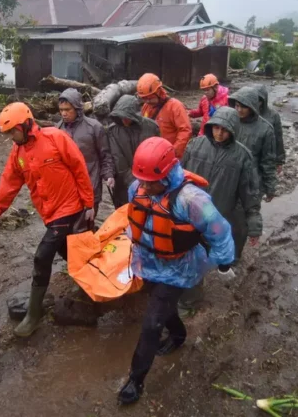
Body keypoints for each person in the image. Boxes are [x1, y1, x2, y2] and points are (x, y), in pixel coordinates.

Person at [118, 137, 235, 405]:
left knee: (150, 323)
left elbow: (219, 230)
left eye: (150, 181)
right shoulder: (138, 187)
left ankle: (135, 380)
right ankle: (179, 334)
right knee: (160, 306)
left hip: (178, 267)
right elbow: (137, 217)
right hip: (147, 261)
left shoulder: (191, 199)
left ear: (168, 172)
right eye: (141, 180)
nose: (144, 186)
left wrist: (225, 262)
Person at [0, 103, 95, 337]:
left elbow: (79, 167)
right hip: (49, 212)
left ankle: (33, 315)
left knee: (43, 256)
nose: (10, 138)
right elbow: (9, 182)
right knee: (68, 250)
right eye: (7, 134)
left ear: (26, 124)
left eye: (12, 132)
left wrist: (88, 203)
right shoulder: (18, 153)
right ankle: (91, 285)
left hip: (69, 206)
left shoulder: (55, 137)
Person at [181, 106, 262, 261]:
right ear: (210, 126)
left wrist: (254, 226)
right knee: (192, 244)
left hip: (221, 212)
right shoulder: (195, 144)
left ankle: (226, 262)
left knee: (221, 242)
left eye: (224, 129)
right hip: (193, 209)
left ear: (233, 130)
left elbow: (250, 193)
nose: (219, 133)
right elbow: (181, 175)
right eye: (216, 127)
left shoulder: (243, 156)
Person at [56, 88, 114, 212]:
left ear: (77, 109)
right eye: (61, 110)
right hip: (67, 188)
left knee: (87, 225)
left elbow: (105, 154)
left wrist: (108, 174)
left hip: (90, 184)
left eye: (67, 110)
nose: (64, 114)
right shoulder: (58, 129)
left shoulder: (94, 127)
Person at [107, 95, 160, 208]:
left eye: (127, 117)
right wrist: (135, 183)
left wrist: (147, 181)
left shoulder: (151, 127)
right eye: (121, 117)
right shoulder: (113, 131)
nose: (124, 120)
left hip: (149, 179)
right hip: (123, 183)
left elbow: (157, 153)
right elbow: (118, 159)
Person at [228, 86, 278, 201]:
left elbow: (268, 161)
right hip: (228, 177)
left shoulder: (265, 129)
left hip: (251, 181)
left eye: (243, 107)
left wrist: (270, 187)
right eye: (237, 106)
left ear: (252, 107)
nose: (239, 110)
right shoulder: (229, 122)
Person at [137, 73, 192, 158]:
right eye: (144, 98)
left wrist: (173, 152)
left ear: (158, 92)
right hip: (152, 154)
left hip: (170, 155)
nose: (147, 101)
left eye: (150, 98)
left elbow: (185, 131)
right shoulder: (146, 107)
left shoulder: (175, 106)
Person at [257, 85, 285, 176]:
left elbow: (278, 138)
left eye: (259, 100)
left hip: (268, 155)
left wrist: (279, 161)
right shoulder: (247, 114)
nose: (257, 103)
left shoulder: (273, 116)